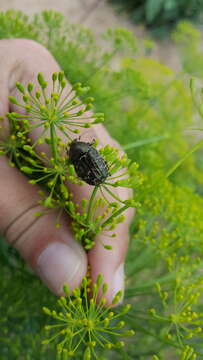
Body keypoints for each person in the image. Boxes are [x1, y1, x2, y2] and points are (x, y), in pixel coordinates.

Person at [0, 39, 133, 304]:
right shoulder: (79, 153)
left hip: (88, 164)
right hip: (87, 163)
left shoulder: (83, 155)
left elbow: (86, 163)